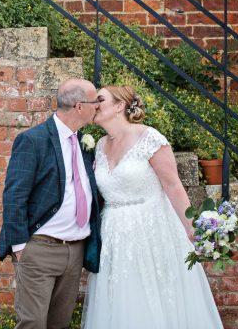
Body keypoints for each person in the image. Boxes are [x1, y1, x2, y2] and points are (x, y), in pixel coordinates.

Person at [82, 85, 223, 329]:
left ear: (119, 106)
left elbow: (173, 186)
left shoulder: (150, 138)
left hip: (151, 231)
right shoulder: (100, 145)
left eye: (100, 99)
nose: (94, 104)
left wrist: (193, 230)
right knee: (119, 298)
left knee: (154, 297)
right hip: (113, 233)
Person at [0, 78, 102, 329]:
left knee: (59, 323)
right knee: (32, 323)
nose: (98, 105)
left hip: (75, 250)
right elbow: (14, 196)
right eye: (94, 101)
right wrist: (21, 248)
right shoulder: (33, 140)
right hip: (39, 249)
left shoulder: (86, 143)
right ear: (78, 106)